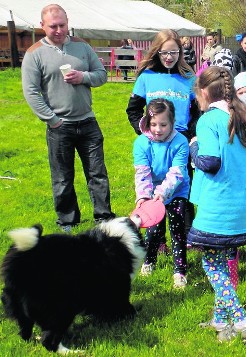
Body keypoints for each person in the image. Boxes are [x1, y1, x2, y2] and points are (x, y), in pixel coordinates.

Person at [188, 66, 246, 342]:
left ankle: (239, 319)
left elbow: (210, 163)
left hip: (218, 208)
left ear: (203, 93)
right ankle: (220, 320)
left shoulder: (209, 121)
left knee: (212, 266)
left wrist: (194, 148)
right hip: (244, 207)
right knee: (223, 261)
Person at [22, 4, 115, 232]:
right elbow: (31, 92)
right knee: (62, 177)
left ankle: (103, 217)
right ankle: (67, 220)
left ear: (68, 22)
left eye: (62, 25)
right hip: (59, 125)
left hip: (88, 121)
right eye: (52, 26)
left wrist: (83, 76)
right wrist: (51, 119)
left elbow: (102, 75)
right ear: (42, 25)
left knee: (97, 173)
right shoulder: (34, 53)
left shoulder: (82, 46)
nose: (58, 30)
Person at [126, 29, 199, 235]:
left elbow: (197, 111)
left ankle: (186, 234)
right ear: (157, 52)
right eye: (165, 53)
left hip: (179, 142)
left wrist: (190, 135)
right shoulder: (146, 77)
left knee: (182, 185)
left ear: (180, 52)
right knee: (154, 185)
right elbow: (133, 109)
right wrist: (145, 132)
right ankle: (157, 239)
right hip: (155, 142)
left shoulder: (189, 77)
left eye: (174, 53)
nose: (169, 57)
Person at [133, 99, 190, 289]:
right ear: (148, 123)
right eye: (154, 124)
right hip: (152, 195)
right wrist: (144, 197)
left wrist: (162, 194)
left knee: (177, 229)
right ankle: (149, 261)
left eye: (163, 124)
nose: (158, 129)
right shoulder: (141, 143)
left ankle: (180, 271)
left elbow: (177, 172)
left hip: (176, 190)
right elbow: (142, 173)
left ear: (172, 122)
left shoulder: (181, 142)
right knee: (153, 230)